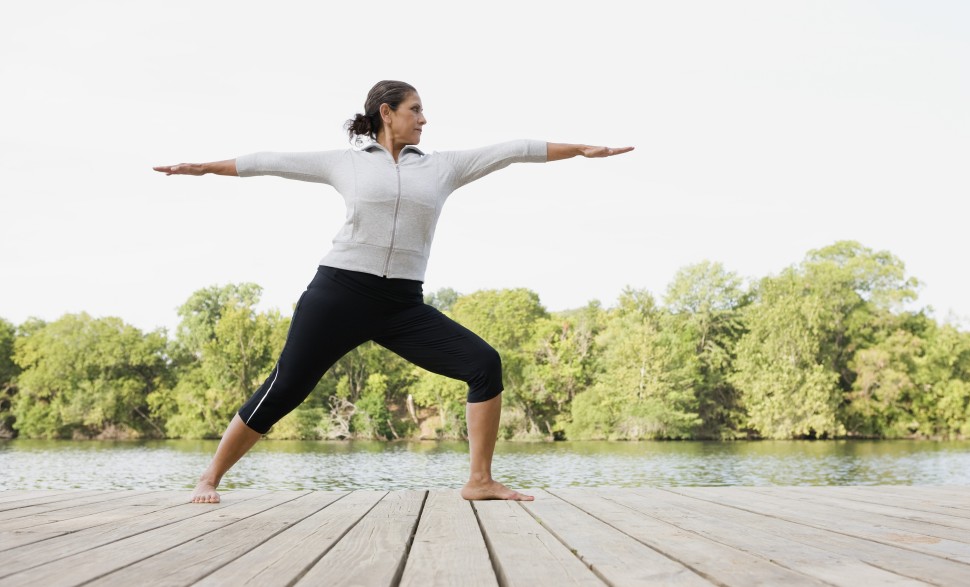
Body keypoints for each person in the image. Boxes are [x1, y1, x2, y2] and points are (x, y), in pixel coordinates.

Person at [154, 80, 633, 503]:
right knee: (286, 389)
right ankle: (210, 477)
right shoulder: (347, 163)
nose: (424, 119)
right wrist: (204, 168)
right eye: (415, 110)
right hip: (338, 294)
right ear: (387, 113)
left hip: (402, 304)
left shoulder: (442, 167)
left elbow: (512, 149)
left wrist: (581, 149)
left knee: (484, 364)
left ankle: (480, 481)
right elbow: (268, 162)